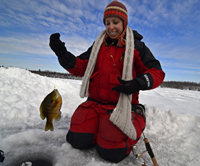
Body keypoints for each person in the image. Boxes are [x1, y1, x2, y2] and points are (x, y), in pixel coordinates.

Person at [49, 0, 165, 163]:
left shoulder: (137, 47)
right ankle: (100, 129)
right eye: (107, 22)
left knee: (111, 152)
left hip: (120, 106)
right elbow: (80, 67)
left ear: (124, 23)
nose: (111, 27)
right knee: (77, 140)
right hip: (95, 104)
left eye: (115, 22)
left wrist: (137, 83)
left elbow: (157, 72)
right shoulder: (97, 46)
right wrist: (62, 54)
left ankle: (137, 116)